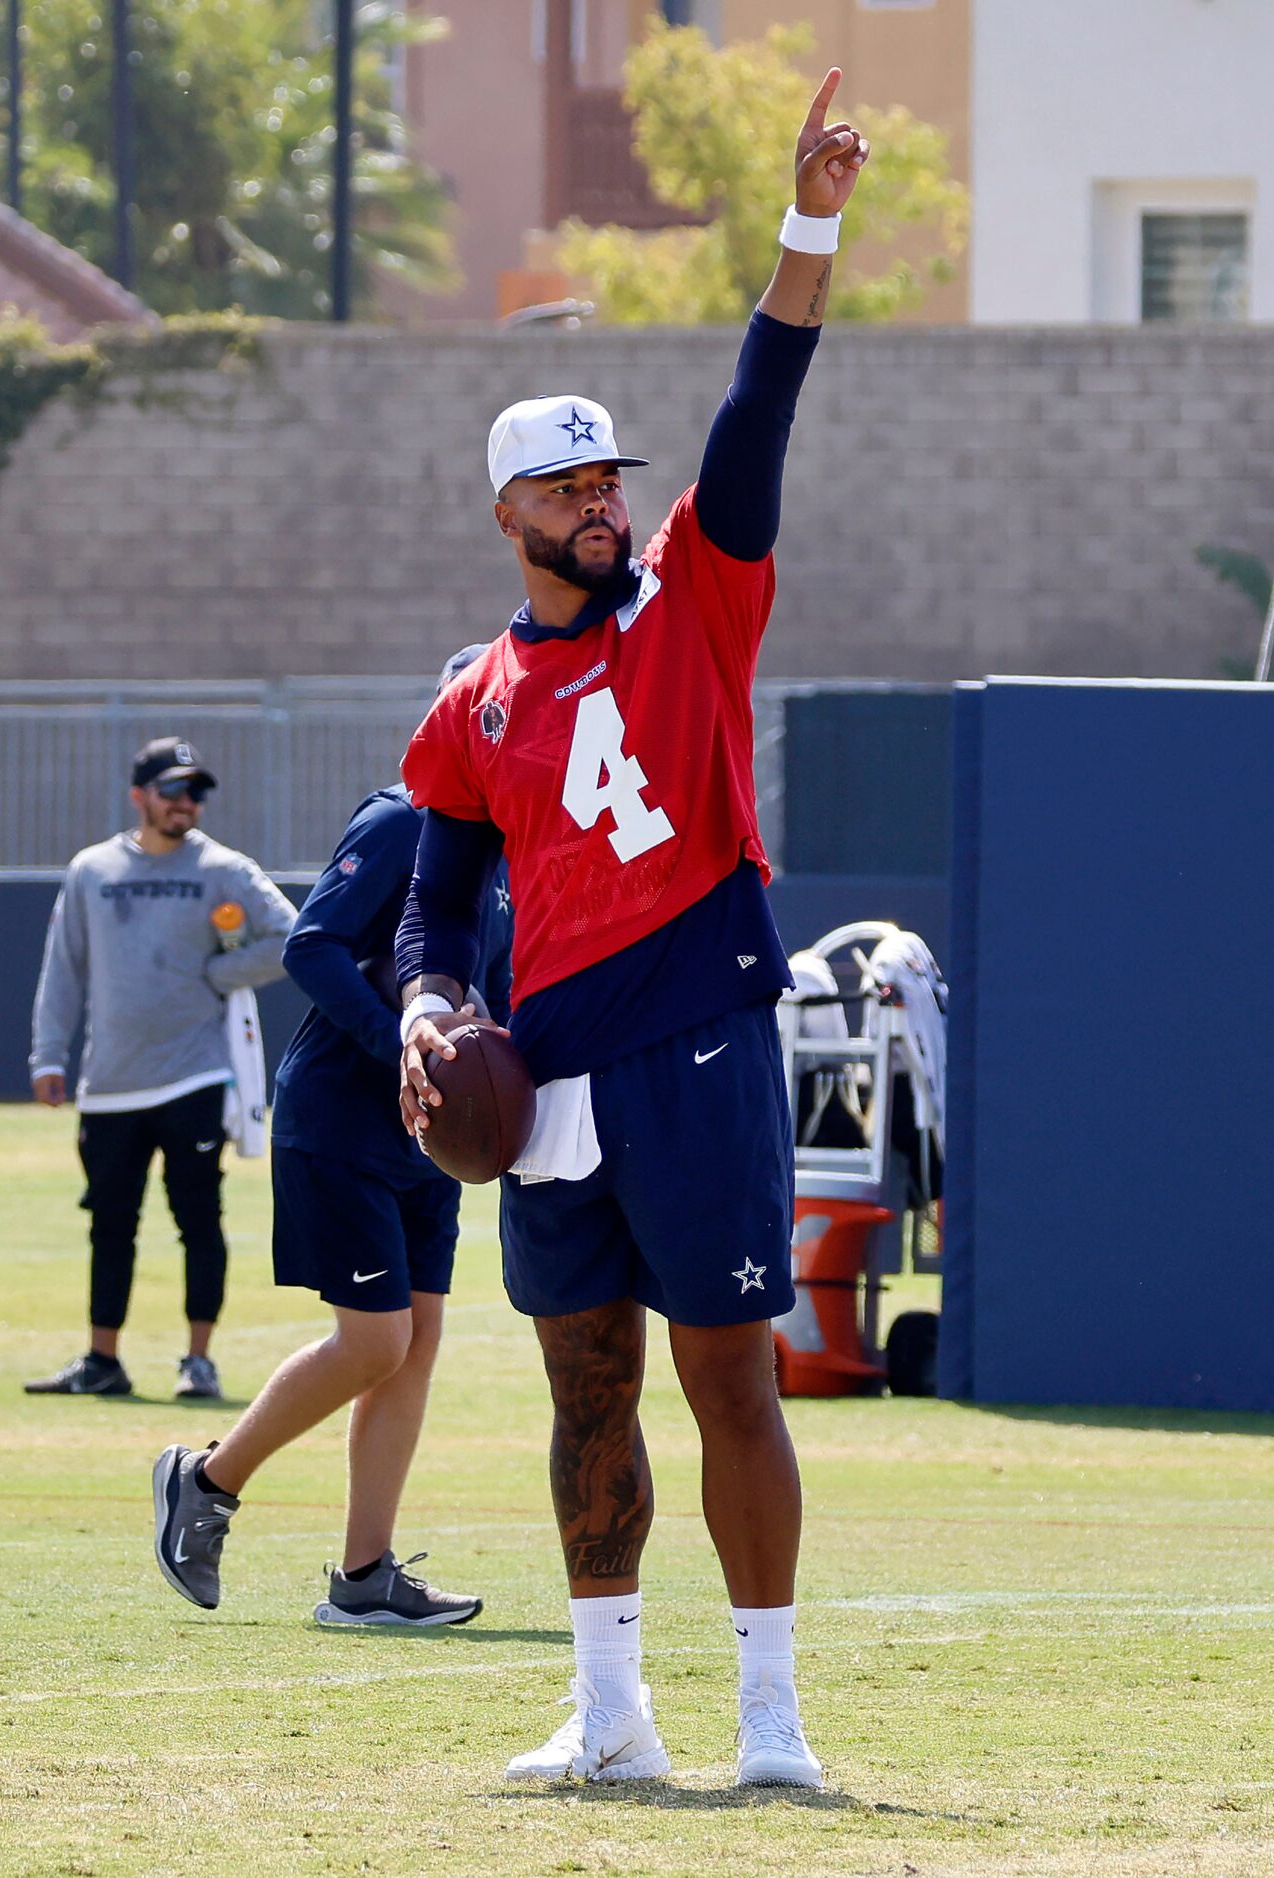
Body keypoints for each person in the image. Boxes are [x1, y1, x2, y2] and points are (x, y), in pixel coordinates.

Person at [393, 74, 870, 1786]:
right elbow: (435, 904)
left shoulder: (696, 597)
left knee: (729, 1378)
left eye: (610, 479)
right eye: (570, 485)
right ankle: (609, 1716)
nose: (603, 501)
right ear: (511, 516)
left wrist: (805, 227)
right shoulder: (472, 699)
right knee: (583, 1389)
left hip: (697, 1044)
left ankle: (773, 1723)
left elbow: (758, 410)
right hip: (551, 1074)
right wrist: (429, 1009)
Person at [152, 650, 513, 1626]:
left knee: (417, 1340)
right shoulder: (403, 817)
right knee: (375, 1339)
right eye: (497, 707)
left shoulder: (516, 841)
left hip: (426, 1136)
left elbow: (497, 993)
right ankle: (207, 1481)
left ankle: (362, 1580)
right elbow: (309, 945)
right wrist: (404, 1045)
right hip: (343, 1116)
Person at [26, 738, 297, 1401]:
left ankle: (198, 1362)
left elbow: (292, 935)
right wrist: (48, 1055)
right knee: (110, 1225)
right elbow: (63, 969)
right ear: (139, 795)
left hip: (194, 1075)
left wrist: (221, 973)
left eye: (195, 792)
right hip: (111, 1082)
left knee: (197, 1218)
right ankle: (102, 1360)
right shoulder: (92, 870)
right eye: (172, 791)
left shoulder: (224, 868)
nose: (186, 804)